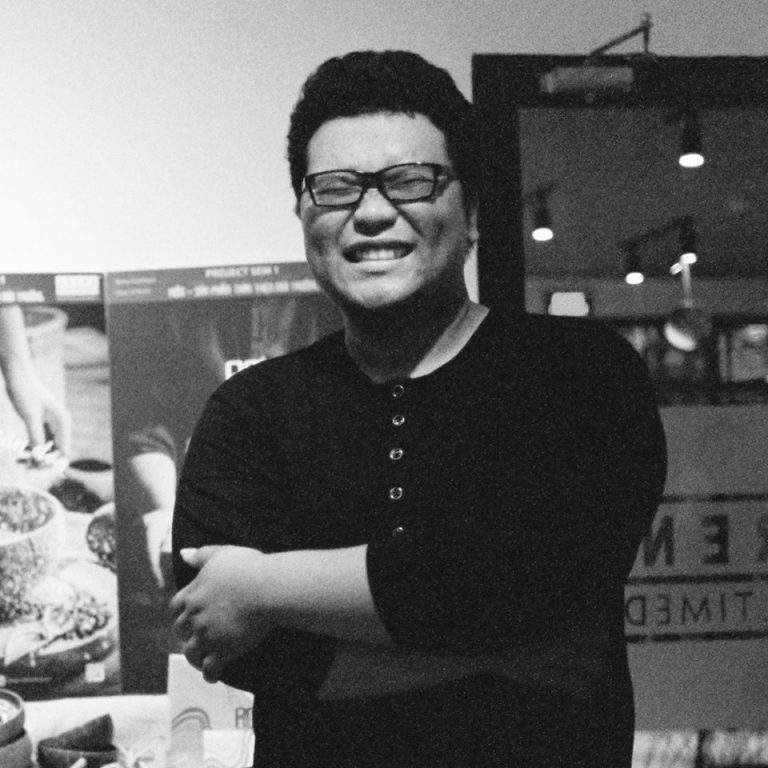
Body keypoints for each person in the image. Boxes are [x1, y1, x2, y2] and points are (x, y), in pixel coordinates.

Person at [170, 50, 667, 768]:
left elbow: (535, 573)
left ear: (473, 212)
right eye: (336, 188)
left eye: (409, 180)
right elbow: (230, 640)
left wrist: (264, 587)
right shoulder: (249, 411)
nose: (372, 213)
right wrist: (508, 651)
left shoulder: (581, 374)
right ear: (304, 213)